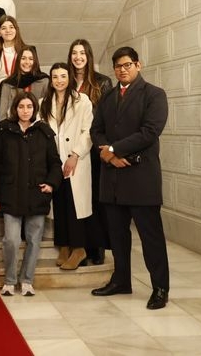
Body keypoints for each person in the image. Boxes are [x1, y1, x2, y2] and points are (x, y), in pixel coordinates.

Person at [90, 46, 170, 310]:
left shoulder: (154, 95)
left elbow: (150, 132)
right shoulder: (108, 96)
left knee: (151, 237)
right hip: (112, 177)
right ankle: (121, 280)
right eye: (117, 66)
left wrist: (114, 149)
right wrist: (109, 154)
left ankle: (160, 287)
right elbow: (96, 129)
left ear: (138, 65)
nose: (121, 70)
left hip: (141, 177)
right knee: (117, 235)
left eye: (126, 65)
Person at [0, 92, 62, 297]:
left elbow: (55, 163)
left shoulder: (44, 132)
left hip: (37, 194)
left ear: (34, 109)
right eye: (21, 106)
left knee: (34, 240)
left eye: (29, 106)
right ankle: (10, 281)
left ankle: (27, 280)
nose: (25, 110)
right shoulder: (3, 131)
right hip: (10, 194)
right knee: (11, 240)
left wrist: (51, 184)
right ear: (15, 109)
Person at [39, 63, 94, 271]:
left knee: (74, 205)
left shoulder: (83, 101)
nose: (59, 80)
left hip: (75, 159)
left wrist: (75, 155)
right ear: (51, 80)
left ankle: (79, 248)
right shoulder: (44, 102)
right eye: (55, 77)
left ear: (69, 78)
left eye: (63, 76)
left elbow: (88, 131)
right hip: (54, 161)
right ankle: (63, 246)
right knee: (59, 203)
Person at [68, 38, 114, 265]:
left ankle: (97, 248)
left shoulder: (102, 82)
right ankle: (80, 247)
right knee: (78, 200)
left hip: (94, 148)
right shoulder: (65, 82)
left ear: (88, 56)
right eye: (74, 53)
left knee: (96, 199)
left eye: (82, 53)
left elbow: (108, 117)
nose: (78, 57)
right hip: (72, 148)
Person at [0, 45, 49, 122]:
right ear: (18, 61)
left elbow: (47, 112)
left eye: (31, 59)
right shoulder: (7, 84)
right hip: (13, 127)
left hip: (38, 127)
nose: (27, 62)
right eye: (23, 58)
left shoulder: (44, 81)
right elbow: (3, 116)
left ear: (35, 61)